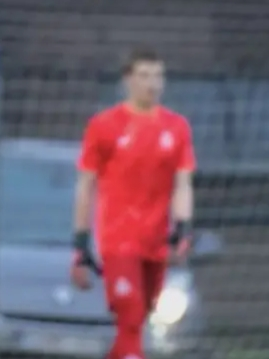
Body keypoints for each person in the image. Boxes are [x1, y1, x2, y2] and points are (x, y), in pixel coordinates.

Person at [70, 48, 195, 359]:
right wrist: (81, 242)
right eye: (144, 75)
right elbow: (86, 186)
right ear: (128, 80)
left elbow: (182, 183)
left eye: (158, 76)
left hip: (156, 241)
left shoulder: (176, 127)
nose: (152, 83)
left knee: (137, 321)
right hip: (118, 242)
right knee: (130, 312)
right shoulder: (104, 125)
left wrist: (182, 227)